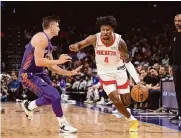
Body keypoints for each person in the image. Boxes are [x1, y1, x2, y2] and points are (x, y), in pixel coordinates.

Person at [69, 15, 141, 132]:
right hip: (104, 73)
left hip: (119, 71)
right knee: (114, 98)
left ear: (112, 30)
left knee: (126, 101)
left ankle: (126, 110)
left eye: (108, 30)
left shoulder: (120, 42)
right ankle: (132, 120)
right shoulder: (94, 38)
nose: (105, 32)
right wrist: (75, 47)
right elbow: (81, 44)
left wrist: (137, 81)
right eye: (103, 30)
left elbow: (127, 62)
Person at [19, 15, 82, 133]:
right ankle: (63, 125)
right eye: (57, 26)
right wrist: (59, 60)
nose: (59, 28)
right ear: (51, 26)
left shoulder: (49, 44)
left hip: (39, 73)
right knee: (54, 95)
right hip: (28, 74)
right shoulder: (40, 37)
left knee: (52, 98)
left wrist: (69, 73)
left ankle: (29, 106)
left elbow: (51, 66)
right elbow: (38, 62)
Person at [169, 14, 181, 121]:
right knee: (178, 90)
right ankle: (180, 113)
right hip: (176, 66)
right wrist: (170, 64)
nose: (177, 23)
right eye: (176, 20)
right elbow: (171, 51)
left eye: (179, 21)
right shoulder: (173, 34)